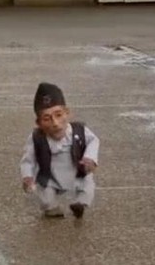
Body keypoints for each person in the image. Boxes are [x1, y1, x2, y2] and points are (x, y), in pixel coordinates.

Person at [19, 82, 100, 219]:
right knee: (46, 195)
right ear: (38, 123)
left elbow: (93, 141)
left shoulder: (79, 131)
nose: (55, 123)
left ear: (67, 113)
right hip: (51, 176)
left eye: (58, 115)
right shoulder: (37, 138)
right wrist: (27, 176)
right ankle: (51, 208)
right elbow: (28, 159)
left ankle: (80, 204)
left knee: (87, 186)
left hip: (76, 173)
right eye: (47, 118)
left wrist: (90, 159)